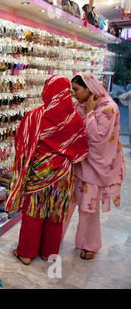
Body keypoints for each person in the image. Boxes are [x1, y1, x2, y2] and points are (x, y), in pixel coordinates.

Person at [5, 74, 89, 265]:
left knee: (34, 212)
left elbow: (21, 142)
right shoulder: (74, 117)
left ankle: (26, 254)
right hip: (63, 174)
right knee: (56, 213)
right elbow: (80, 148)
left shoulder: (36, 115)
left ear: (48, 91)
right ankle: (49, 252)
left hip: (39, 172)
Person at [65, 72, 125, 260]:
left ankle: (89, 243)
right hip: (78, 163)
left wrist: (90, 112)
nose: (73, 93)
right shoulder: (81, 105)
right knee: (66, 204)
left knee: (88, 207)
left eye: (76, 89)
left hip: (94, 167)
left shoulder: (109, 108)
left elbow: (98, 138)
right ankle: (53, 239)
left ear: (88, 89)